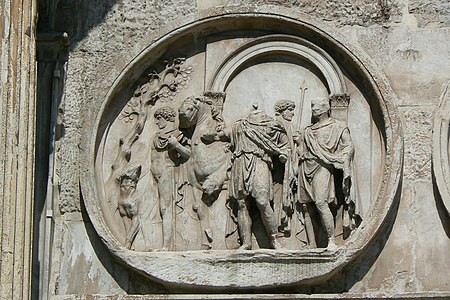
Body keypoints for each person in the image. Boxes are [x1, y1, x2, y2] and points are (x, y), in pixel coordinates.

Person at [204, 106, 290, 249]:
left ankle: (274, 239)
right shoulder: (239, 125)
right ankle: (246, 242)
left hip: (260, 161)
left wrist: (284, 154)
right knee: (242, 203)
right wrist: (207, 134)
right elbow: (219, 136)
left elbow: (285, 144)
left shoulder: (271, 125)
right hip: (241, 163)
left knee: (263, 202)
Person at [299, 97, 361, 250]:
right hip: (306, 166)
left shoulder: (338, 127)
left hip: (323, 166)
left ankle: (331, 240)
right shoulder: (308, 130)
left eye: (318, 106)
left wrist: (341, 158)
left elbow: (348, 146)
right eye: (312, 106)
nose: (314, 109)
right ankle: (311, 243)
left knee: (321, 202)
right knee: (306, 206)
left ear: (326, 108)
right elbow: (301, 150)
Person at [150, 106, 191, 250]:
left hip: (168, 173)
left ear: (167, 118)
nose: (156, 122)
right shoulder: (156, 136)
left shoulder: (177, 135)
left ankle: (167, 245)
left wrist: (176, 145)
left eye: (159, 119)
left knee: (165, 208)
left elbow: (188, 154)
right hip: (156, 176)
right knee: (159, 209)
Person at [117, 165, 142, 249]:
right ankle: (130, 243)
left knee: (134, 217)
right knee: (125, 216)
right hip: (123, 195)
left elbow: (138, 167)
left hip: (130, 193)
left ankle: (129, 242)